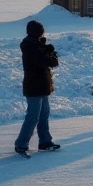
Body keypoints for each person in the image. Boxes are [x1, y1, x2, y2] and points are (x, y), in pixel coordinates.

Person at [15, 20, 61, 156]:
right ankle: (21, 143)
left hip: (42, 85)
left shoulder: (36, 46)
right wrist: (48, 51)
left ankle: (45, 141)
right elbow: (50, 62)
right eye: (40, 33)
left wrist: (46, 49)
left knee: (43, 115)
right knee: (33, 116)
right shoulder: (30, 47)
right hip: (34, 86)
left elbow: (52, 62)